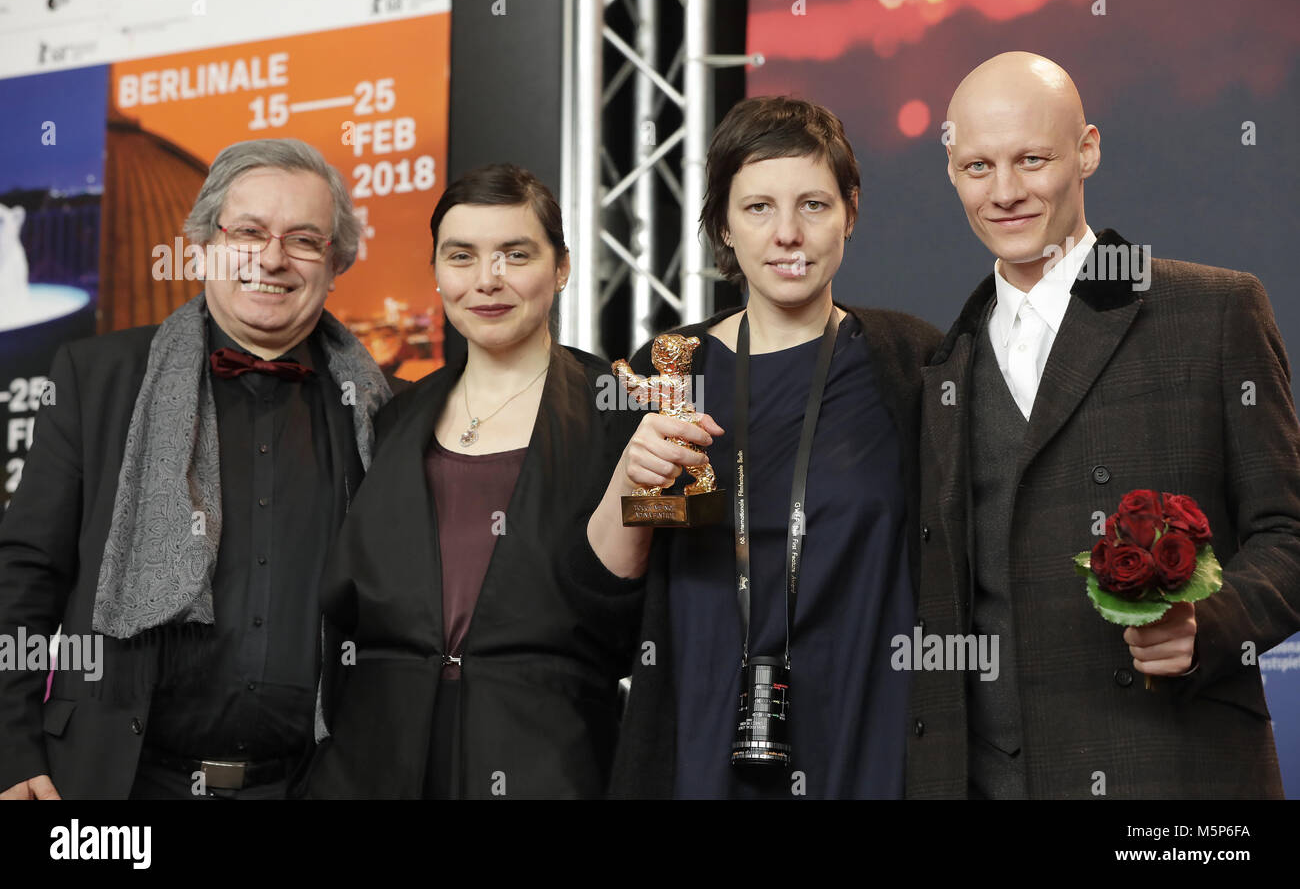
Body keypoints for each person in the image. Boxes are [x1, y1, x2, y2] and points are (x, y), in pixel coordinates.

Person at [910, 51, 1300, 799]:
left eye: (1032, 160)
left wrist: (1206, 625)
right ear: (952, 171)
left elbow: (1289, 533)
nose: (1006, 192)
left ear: (1087, 149)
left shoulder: (1211, 311)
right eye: (978, 167)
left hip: (1169, 780)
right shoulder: (943, 362)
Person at [0, 138, 393, 800]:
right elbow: (23, 576)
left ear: (335, 263)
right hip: (113, 784)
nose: (271, 258)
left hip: (310, 785)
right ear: (204, 243)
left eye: (303, 239)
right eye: (248, 232)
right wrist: (11, 750)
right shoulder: (98, 379)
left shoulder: (382, 413)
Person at [584, 96, 942, 799]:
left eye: (813, 204)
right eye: (757, 208)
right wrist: (634, 480)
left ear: (851, 212)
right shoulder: (669, 368)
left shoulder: (914, 363)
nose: (788, 234)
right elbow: (602, 591)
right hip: (704, 728)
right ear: (722, 222)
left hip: (868, 727)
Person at [304, 164, 644, 799]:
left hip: (549, 759)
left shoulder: (620, 412)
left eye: (516, 255)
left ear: (562, 268)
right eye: (462, 257)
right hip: (378, 761)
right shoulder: (394, 416)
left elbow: (649, 615)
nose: (488, 280)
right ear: (437, 272)